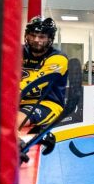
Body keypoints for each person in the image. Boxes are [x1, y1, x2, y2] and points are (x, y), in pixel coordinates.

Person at [19, 16, 69, 156]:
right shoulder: (17, 52)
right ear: (26, 35)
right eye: (33, 35)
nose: (36, 40)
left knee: (14, 119)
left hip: (46, 104)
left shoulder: (58, 58)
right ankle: (40, 137)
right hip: (17, 101)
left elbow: (35, 83)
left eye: (41, 36)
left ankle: (18, 145)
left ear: (50, 39)